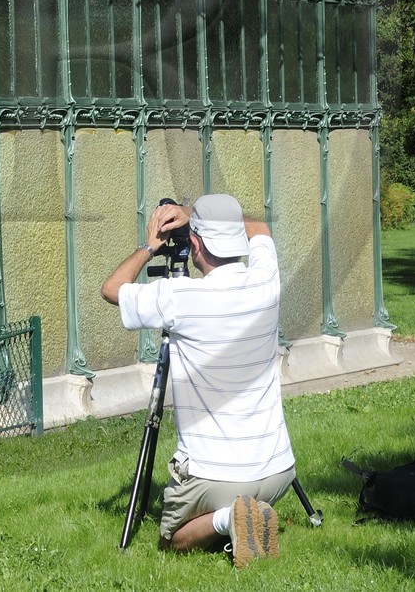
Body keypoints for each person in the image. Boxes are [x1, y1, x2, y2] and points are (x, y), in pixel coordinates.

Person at [100, 193, 294, 568]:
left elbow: (112, 288)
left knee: (172, 540)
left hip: (216, 477)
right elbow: (260, 227)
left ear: (195, 244)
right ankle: (254, 509)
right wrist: (193, 214)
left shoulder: (181, 296)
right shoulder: (266, 281)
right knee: (255, 485)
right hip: (278, 473)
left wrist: (150, 245)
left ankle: (229, 519)